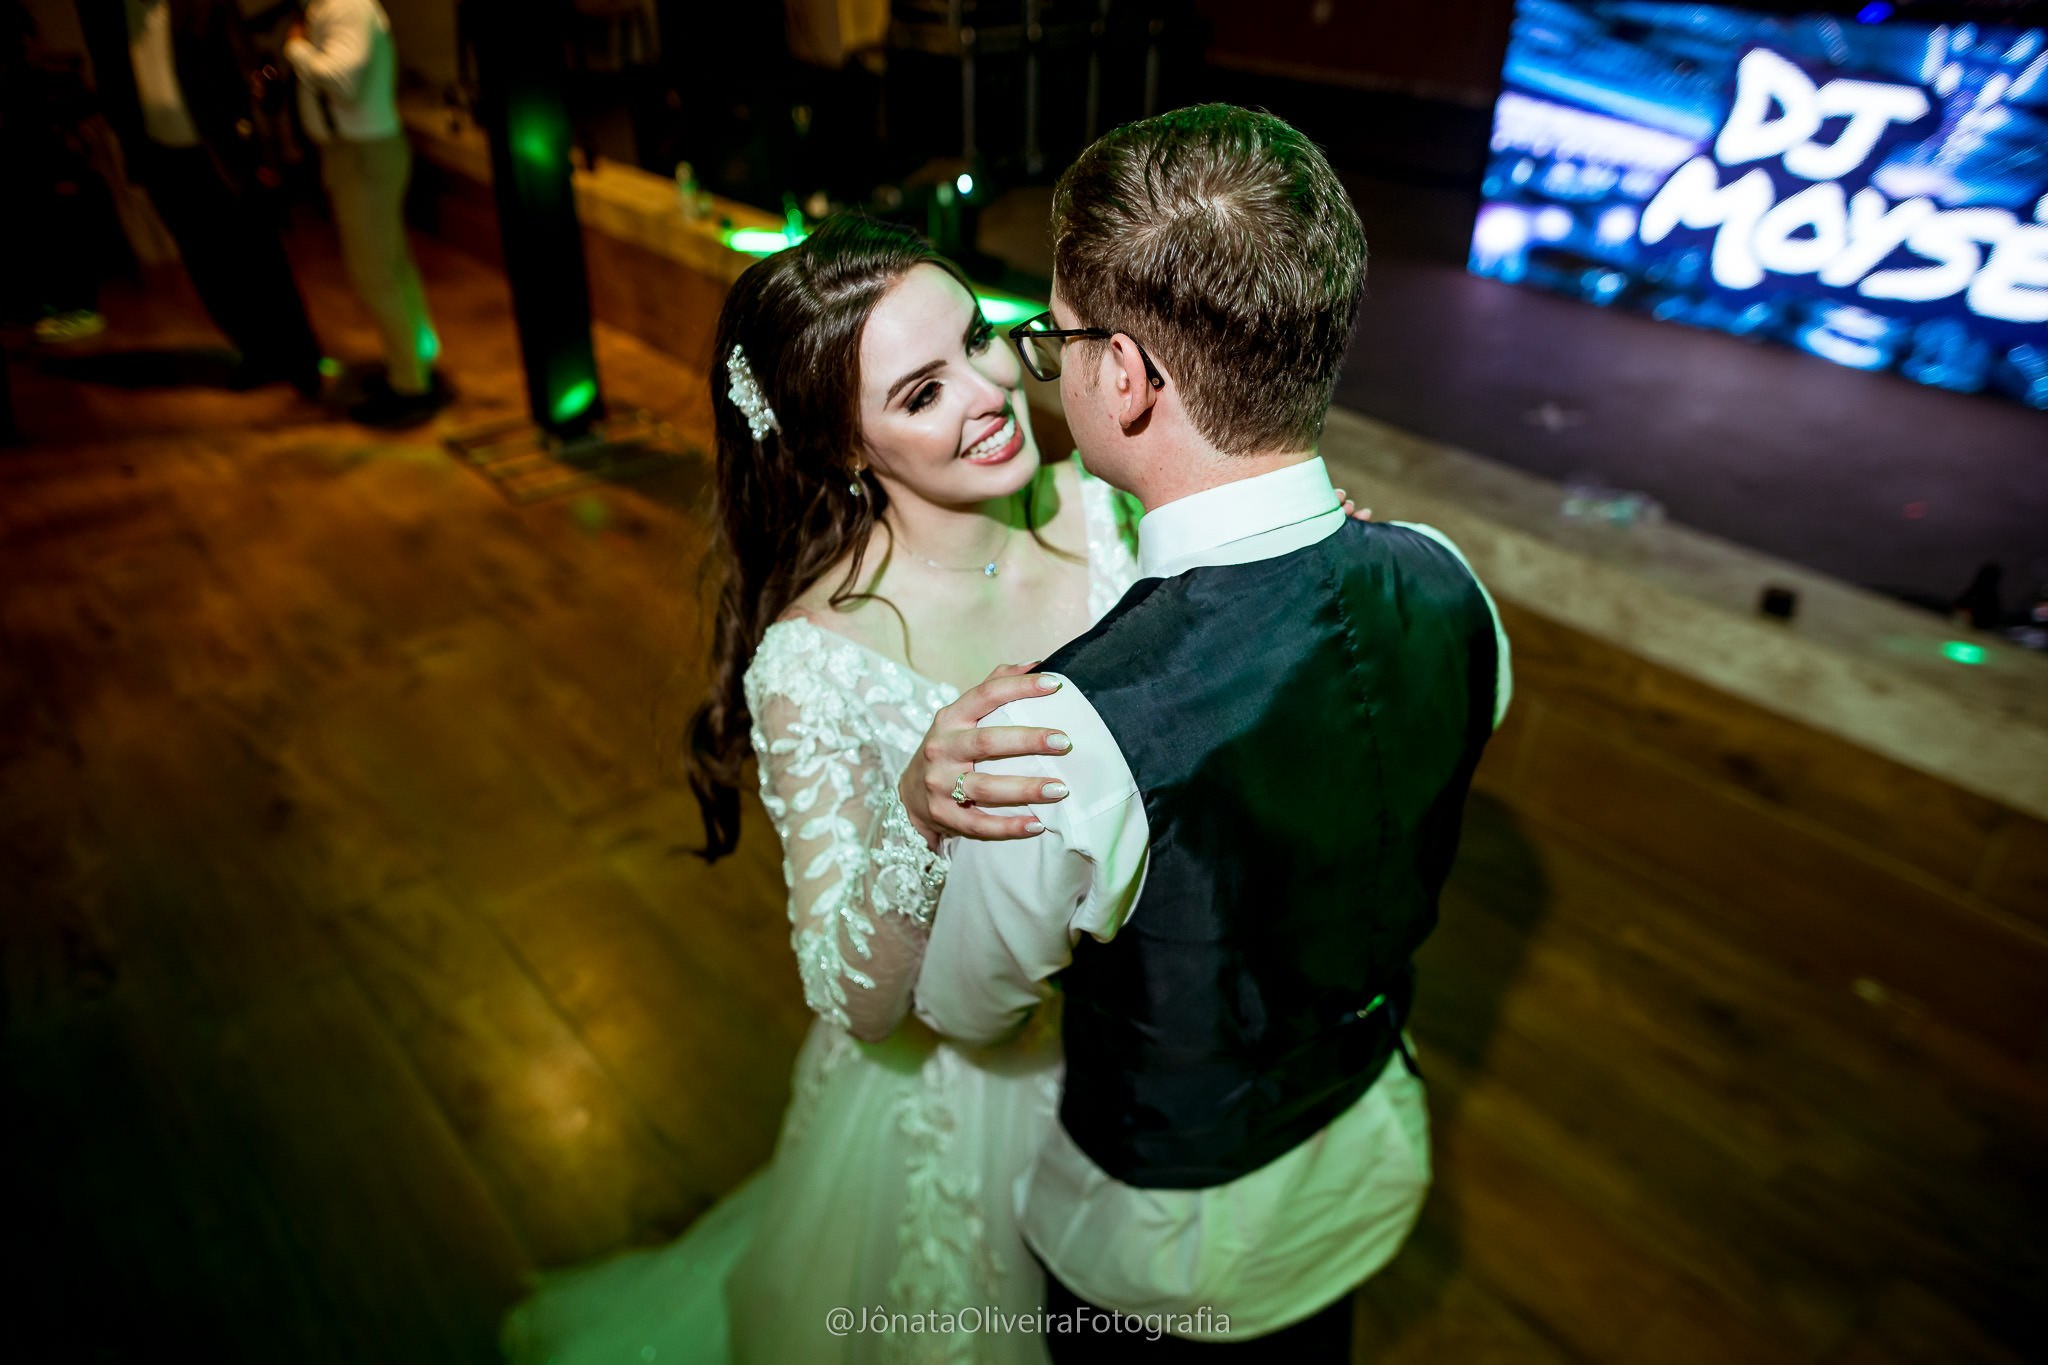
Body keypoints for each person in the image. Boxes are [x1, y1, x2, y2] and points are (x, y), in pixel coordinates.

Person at [901, 104, 1514, 1360]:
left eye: (1052, 337)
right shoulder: (1454, 584)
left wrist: (921, 807)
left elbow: (967, 1010)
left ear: (1121, 375)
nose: (1046, 366)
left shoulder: (1063, 738)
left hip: (1165, 1262)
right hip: (1362, 1169)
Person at [500, 213, 1136, 1365]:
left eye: (979, 340)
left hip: (1157, 1049)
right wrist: (914, 814)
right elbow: (854, 1002)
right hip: (968, 1106)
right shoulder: (817, 659)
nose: (989, 391)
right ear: (846, 449)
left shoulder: (1105, 509)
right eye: (920, 392)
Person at [76, 0, 326, 394]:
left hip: (221, 152)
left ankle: (300, 358)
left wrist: (261, 152)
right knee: (206, 262)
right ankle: (257, 353)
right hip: (161, 157)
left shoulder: (201, 3)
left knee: (259, 257)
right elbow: (112, 79)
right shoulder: (104, 12)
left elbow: (244, 70)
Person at [282, 0, 449, 426]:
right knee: (390, 264)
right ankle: (414, 362)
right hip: (356, 151)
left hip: (364, 154)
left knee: (375, 272)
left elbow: (342, 81)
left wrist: (296, 50)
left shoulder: (347, 7)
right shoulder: (330, 8)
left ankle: (410, 384)